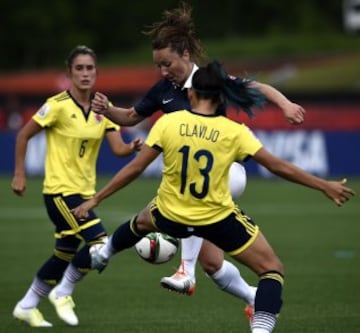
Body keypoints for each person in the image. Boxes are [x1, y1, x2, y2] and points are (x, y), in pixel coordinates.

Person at [72, 60, 354, 333]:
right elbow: (278, 166)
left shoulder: (169, 123)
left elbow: (134, 168)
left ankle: (106, 252)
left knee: (142, 222)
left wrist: (96, 199)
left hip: (171, 214)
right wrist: (323, 186)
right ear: (221, 98)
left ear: (191, 94)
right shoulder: (234, 132)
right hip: (216, 219)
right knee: (271, 270)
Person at [90, 1, 305, 313]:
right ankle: (255, 298)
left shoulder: (208, 81)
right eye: (158, 66)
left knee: (179, 210)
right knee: (213, 264)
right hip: (194, 185)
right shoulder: (163, 89)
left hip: (227, 173)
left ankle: (184, 272)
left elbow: (254, 86)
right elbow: (131, 116)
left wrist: (284, 104)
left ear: (186, 55)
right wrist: (107, 109)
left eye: (167, 64)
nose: (163, 72)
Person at [11, 45, 142, 327]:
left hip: (84, 193)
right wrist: (19, 174)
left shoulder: (101, 108)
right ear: (70, 72)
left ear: (96, 72)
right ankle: (63, 291)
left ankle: (27, 305)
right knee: (100, 243)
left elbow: (117, 148)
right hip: (60, 192)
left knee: (64, 252)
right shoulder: (56, 105)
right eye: (79, 68)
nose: (85, 73)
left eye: (90, 68)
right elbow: (23, 135)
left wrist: (131, 147)